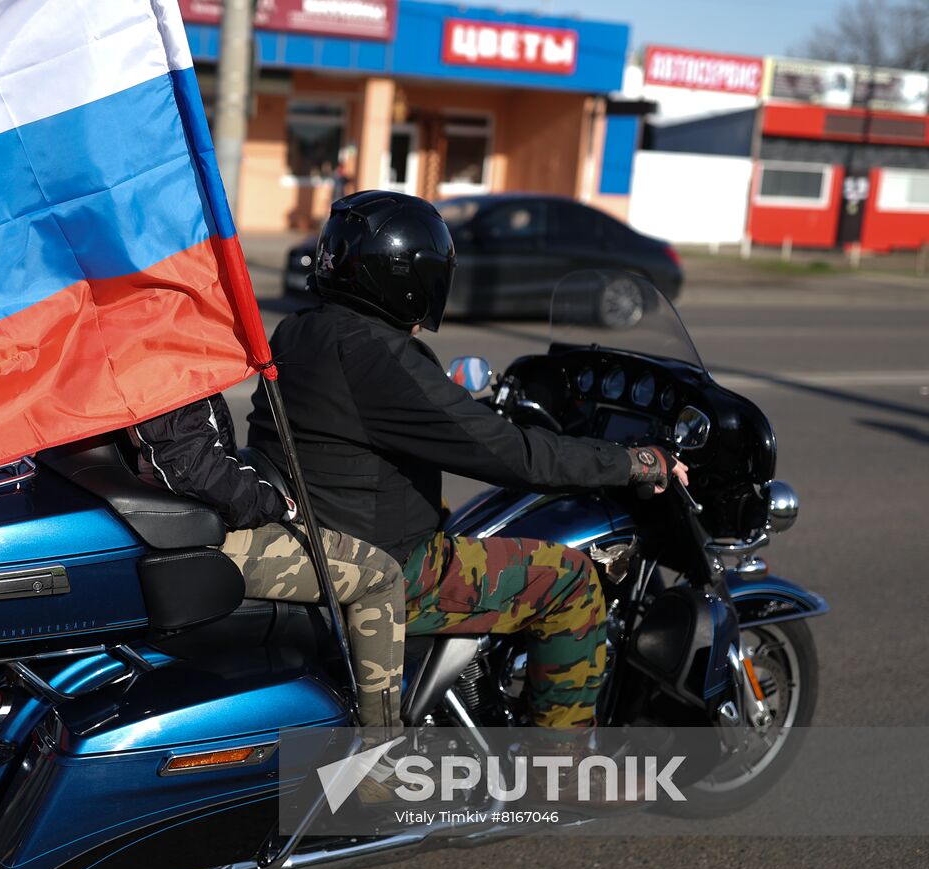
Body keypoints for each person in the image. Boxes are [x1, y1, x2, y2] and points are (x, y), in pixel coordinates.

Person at [246, 190, 688, 733]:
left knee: (459, 512)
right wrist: (635, 463)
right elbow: (513, 455)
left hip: (321, 528)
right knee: (568, 579)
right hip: (387, 559)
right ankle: (562, 768)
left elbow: (397, 423)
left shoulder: (303, 328)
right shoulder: (380, 355)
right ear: (409, 279)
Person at [129, 393, 406, 731]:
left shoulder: (131, 349)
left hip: (163, 524)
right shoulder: (161, 353)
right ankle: (382, 759)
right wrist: (277, 504)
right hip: (193, 534)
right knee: (381, 576)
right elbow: (193, 469)